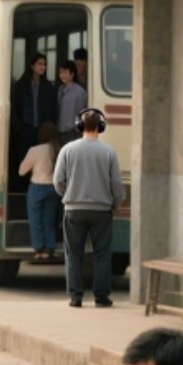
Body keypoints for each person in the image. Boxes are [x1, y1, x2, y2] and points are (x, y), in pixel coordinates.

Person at [53, 108, 123, 307]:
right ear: (100, 127)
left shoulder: (67, 150)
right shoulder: (109, 152)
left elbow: (58, 181)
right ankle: (101, 296)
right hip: (101, 210)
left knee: (73, 253)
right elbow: (116, 185)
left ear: (80, 126)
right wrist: (115, 204)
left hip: (73, 209)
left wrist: (69, 196)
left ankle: (75, 297)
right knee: (102, 254)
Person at [19, 121, 60, 260]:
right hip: (53, 188)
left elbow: (21, 171)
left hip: (37, 187)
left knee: (36, 219)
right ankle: (50, 248)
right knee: (49, 219)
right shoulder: (58, 150)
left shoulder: (35, 150)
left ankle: (39, 249)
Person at [11, 53, 57, 164]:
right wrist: (19, 128)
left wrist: (50, 126)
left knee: (42, 162)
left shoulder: (48, 87)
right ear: (32, 66)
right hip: (26, 130)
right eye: (39, 64)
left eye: (44, 64)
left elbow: (54, 108)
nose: (43, 67)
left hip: (43, 131)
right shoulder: (20, 86)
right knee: (24, 160)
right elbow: (14, 109)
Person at [57, 60, 88, 145]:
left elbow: (81, 111)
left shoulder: (79, 92)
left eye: (65, 72)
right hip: (59, 130)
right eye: (60, 72)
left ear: (72, 74)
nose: (62, 75)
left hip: (72, 132)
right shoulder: (60, 90)